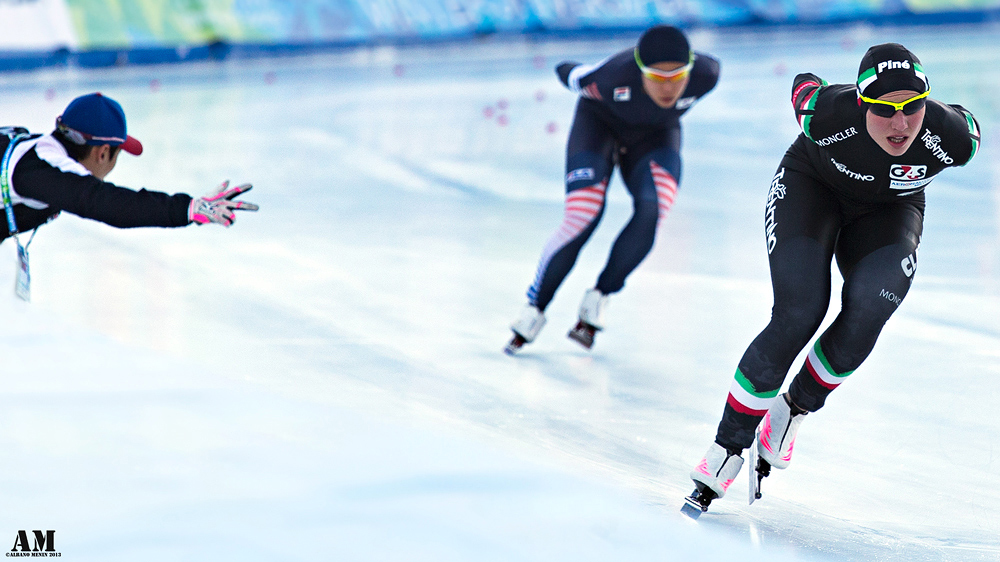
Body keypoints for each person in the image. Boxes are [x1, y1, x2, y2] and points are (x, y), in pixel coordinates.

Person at [686, 43, 980, 511]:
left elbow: (967, 124)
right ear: (862, 103)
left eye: (912, 107)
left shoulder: (953, 138)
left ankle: (792, 410)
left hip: (890, 211)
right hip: (812, 187)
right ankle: (726, 447)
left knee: (870, 308)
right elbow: (803, 84)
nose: (900, 124)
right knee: (799, 313)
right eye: (884, 110)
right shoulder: (826, 115)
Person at [505, 25, 720, 354]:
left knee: (653, 209)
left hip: (656, 137)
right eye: (657, 77)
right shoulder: (610, 76)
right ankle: (534, 308)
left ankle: (600, 296)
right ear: (639, 69)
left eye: (677, 77)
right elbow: (568, 72)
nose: (668, 87)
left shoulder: (707, 75)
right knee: (583, 214)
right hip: (598, 127)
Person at [1, 92, 258, 300]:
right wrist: (187, 208)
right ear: (103, 153)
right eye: (118, 155)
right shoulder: (45, 170)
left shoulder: (33, 149)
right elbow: (110, 204)